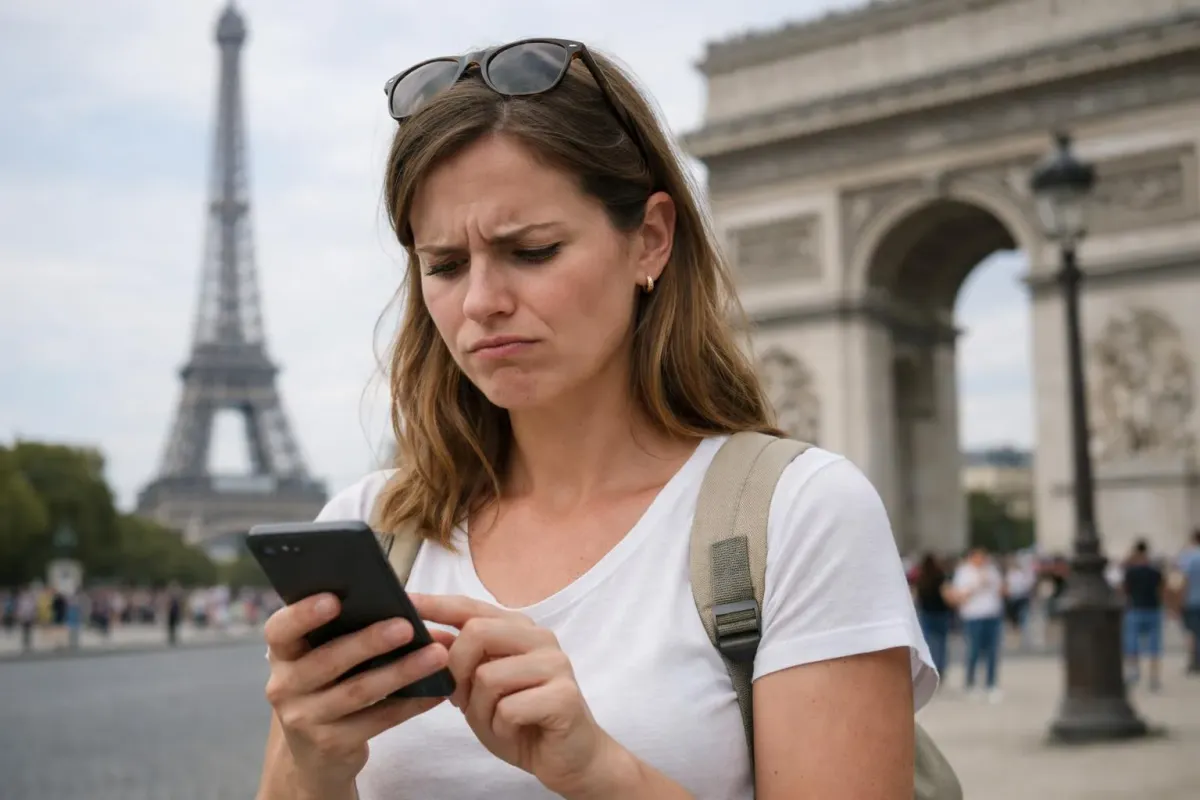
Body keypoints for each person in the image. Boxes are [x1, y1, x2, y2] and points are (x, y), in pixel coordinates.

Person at [255, 39, 935, 800]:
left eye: (532, 250)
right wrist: (308, 765)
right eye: (443, 265)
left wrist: (600, 771)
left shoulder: (802, 514)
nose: (481, 302)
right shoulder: (370, 526)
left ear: (650, 239)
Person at [950, 547, 1005, 701]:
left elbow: (1002, 590)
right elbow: (959, 595)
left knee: (992, 651)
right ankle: (970, 683)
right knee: (973, 650)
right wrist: (977, 584)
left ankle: (991, 684)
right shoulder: (964, 572)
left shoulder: (992, 571)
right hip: (974, 616)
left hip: (992, 614)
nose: (981, 560)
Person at [1121, 539, 1165, 690]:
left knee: (1132, 644)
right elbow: (1161, 590)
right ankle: (1154, 678)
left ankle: (1134, 674)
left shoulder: (1130, 572)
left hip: (1135, 609)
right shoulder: (1155, 572)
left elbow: (1124, 591)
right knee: (1154, 646)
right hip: (1153, 609)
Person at [913, 553, 954, 677]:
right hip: (941, 613)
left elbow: (916, 596)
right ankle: (940, 668)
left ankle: (929, 667)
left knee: (928, 643)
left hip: (926, 614)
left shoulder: (921, 578)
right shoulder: (940, 576)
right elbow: (945, 594)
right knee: (941, 643)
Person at [1177, 529, 1200, 675]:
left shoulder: (1189, 556)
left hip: (1192, 600)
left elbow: (1182, 580)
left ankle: (1194, 661)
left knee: (1192, 632)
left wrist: (1179, 599)